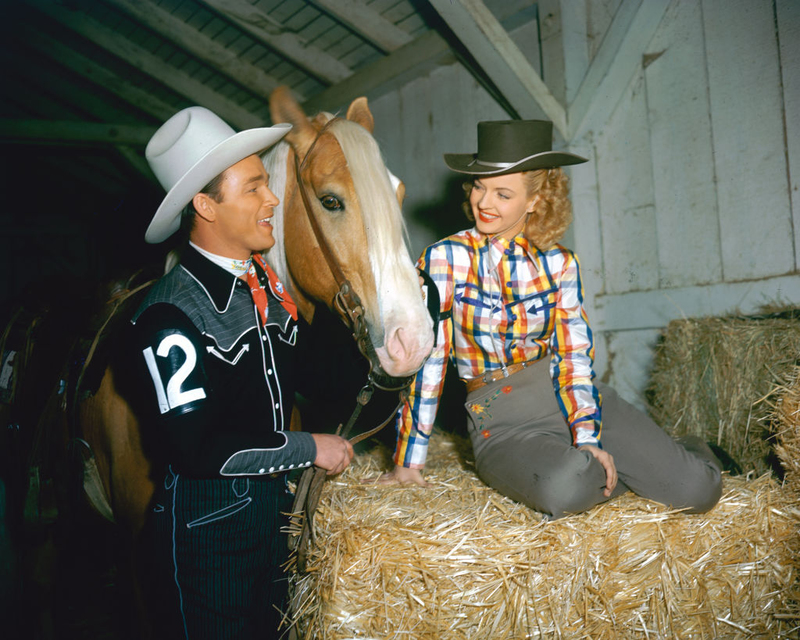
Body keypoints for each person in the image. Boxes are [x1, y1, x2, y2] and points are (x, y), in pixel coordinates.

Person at [378, 120, 722, 520]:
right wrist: (409, 459)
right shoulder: (443, 258)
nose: (484, 203)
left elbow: (574, 356)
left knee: (697, 490)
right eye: (478, 186)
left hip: (570, 399)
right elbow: (430, 360)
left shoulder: (561, 264)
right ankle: (640, 470)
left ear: (535, 200)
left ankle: (675, 456)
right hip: (501, 420)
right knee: (568, 489)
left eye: (503, 194)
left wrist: (588, 436)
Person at [127, 106, 354, 638]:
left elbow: (322, 383)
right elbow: (197, 449)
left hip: (273, 522)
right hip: (209, 532)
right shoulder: (169, 315)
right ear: (205, 205)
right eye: (253, 187)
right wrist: (308, 448)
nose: (271, 198)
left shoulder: (267, 292)